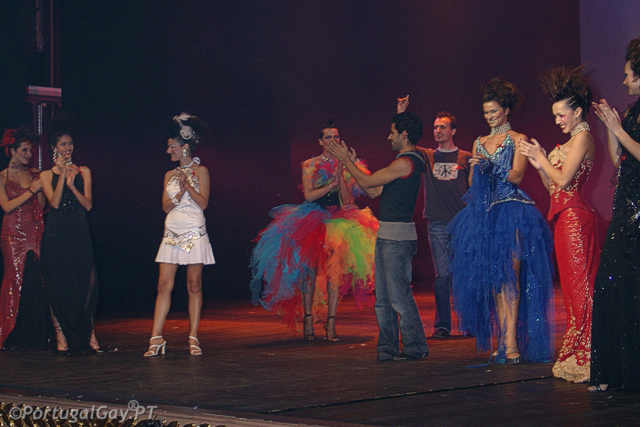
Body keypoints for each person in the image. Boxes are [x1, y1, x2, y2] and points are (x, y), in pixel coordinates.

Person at [447, 78, 554, 364]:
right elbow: (473, 183)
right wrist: (477, 168)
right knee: (496, 279)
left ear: (506, 110)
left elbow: (517, 175)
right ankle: (503, 339)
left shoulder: (518, 139)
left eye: (494, 111)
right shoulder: (479, 142)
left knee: (510, 276)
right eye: (486, 113)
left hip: (512, 210)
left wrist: (490, 166)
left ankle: (511, 342)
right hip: (486, 213)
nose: (490, 117)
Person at [250, 122, 377, 342]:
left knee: (334, 272)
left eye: (336, 137)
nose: (333, 141)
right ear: (320, 141)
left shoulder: (347, 164)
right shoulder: (310, 164)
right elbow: (309, 195)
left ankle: (331, 322)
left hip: (339, 220)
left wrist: (343, 169)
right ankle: (308, 319)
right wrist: (330, 184)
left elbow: (348, 200)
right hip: (312, 217)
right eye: (328, 137)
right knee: (309, 271)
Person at [325, 111, 429, 361]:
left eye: (393, 133)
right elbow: (372, 190)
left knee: (398, 297)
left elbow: (368, 181)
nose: (388, 137)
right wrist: (351, 163)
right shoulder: (400, 163)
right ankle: (387, 348)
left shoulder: (407, 162)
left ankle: (415, 347)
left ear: (404, 135)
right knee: (383, 299)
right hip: (388, 235)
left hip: (398, 239)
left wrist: (346, 160)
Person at [519, 66, 599, 382]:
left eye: (561, 115)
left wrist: (542, 159)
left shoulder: (584, 138)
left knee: (581, 288)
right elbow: (553, 187)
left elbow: (565, 181)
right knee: (570, 289)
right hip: (564, 218)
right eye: (554, 116)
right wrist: (539, 163)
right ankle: (579, 350)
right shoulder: (571, 141)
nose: (557, 121)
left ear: (577, 112)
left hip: (576, 219)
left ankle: (589, 354)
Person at [588, 36, 640, 392]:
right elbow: (619, 162)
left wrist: (619, 128)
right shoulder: (634, 112)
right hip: (625, 207)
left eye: (628, 74)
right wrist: (612, 127)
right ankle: (616, 371)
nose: (623, 81)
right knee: (612, 286)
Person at [398, 96, 472, 338]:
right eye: (435, 127)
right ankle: (442, 325)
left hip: (462, 223)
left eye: (442, 127)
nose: (438, 131)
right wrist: (402, 114)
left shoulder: (465, 157)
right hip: (437, 223)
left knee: (463, 274)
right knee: (442, 275)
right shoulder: (428, 156)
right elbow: (405, 143)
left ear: (453, 131)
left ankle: (469, 322)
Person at [145, 113, 215, 357]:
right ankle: (156, 337)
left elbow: (203, 203)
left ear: (184, 147)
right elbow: (165, 206)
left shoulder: (201, 171)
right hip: (173, 229)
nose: (168, 151)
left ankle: (193, 336)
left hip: (194, 229)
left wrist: (188, 187)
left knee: (194, 284)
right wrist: (178, 193)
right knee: (164, 284)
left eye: (172, 147)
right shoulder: (168, 175)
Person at [40, 130, 101, 354]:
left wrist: (72, 184)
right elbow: (54, 203)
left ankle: (90, 333)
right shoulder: (46, 175)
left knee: (86, 281)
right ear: (54, 148)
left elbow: (88, 205)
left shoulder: (84, 171)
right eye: (63, 144)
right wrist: (62, 177)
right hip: (56, 231)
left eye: (70, 144)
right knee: (57, 282)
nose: (68, 148)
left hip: (78, 228)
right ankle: (60, 333)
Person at [0, 128, 50, 350]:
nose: (29, 155)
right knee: (14, 280)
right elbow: (6, 206)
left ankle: (38, 333)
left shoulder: (36, 174)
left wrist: (40, 189)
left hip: (35, 230)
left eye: (30, 150)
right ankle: (10, 334)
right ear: (12, 151)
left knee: (38, 280)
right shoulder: (2, 176)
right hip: (13, 233)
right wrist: (31, 190)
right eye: (24, 150)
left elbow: (43, 206)